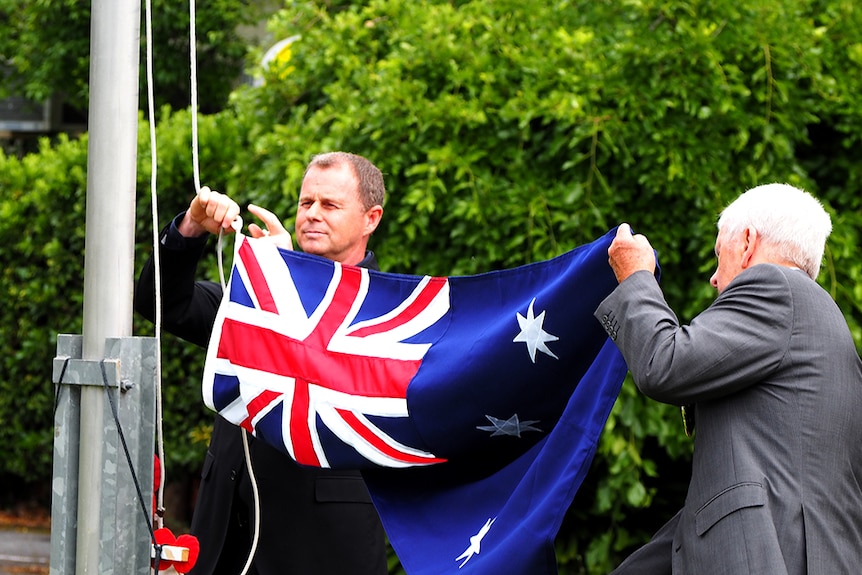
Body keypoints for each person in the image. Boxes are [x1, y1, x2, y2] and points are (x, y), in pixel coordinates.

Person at [135, 152, 388, 575]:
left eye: (329, 205)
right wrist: (192, 227)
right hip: (220, 541)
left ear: (370, 218)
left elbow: (326, 370)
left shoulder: (388, 312)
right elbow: (160, 303)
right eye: (306, 203)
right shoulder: (251, 297)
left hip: (317, 550)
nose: (312, 215)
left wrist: (286, 281)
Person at [595, 183, 862, 574]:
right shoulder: (820, 325)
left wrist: (636, 277)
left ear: (748, 241)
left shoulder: (776, 287)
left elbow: (664, 363)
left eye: (720, 254)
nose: (714, 278)